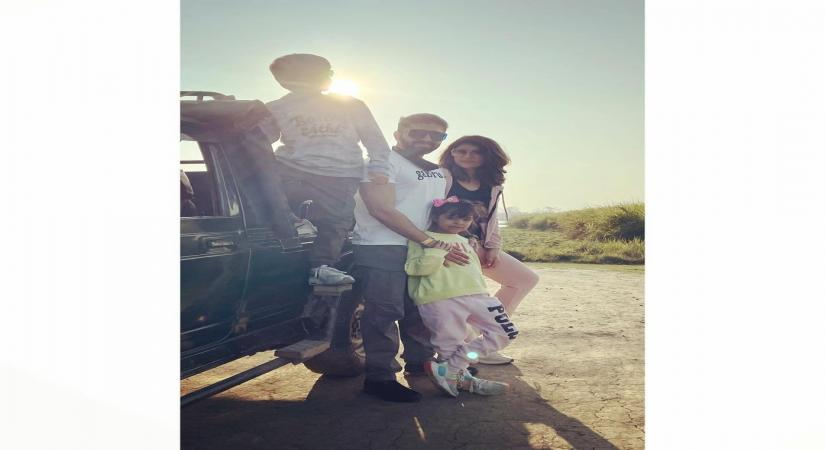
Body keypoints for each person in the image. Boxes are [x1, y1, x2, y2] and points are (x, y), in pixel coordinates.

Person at [354, 113, 472, 403]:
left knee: (420, 309)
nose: (427, 140)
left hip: (421, 248)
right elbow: (381, 209)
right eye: (418, 132)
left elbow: (435, 213)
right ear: (398, 133)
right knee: (384, 314)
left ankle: (421, 364)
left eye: (437, 136)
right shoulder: (380, 164)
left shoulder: (440, 172)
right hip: (382, 246)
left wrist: (448, 241)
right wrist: (430, 241)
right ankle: (379, 377)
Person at [264, 53, 392, 285]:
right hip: (292, 167)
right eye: (323, 73)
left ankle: (321, 267)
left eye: (329, 72)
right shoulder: (275, 108)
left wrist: (379, 166)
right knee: (278, 205)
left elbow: (374, 139)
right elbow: (260, 139)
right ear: (284, 80)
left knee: (336, 220)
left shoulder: (350, 104)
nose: (329, 77)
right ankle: (294, 225)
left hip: (341, 173)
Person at [439, 135, 540, 365]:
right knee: (464, 295)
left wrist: (493, 246)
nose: (467, 156)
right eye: (461, 151)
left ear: (486, 156)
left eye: (475, 152)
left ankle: (481, 333)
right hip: (449, 245)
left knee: (524, 279)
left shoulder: (492, 184)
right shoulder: (443, 177)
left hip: (479, 245)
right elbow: (429, 211)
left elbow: (491, 218)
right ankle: (481, 342)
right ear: (451, 153)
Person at [406, 198, 517, 397]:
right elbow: (415, 269)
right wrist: (438, 250)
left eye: (465, 219)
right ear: (436, 216)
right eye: (452, 217)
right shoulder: (422, 239)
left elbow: (472, 271)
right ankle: (462, 381)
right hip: (439, 300)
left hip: (478, 296)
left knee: (506, 332)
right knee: (449, 347)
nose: (459, 223)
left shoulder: (466, 240)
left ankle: (452, 368)